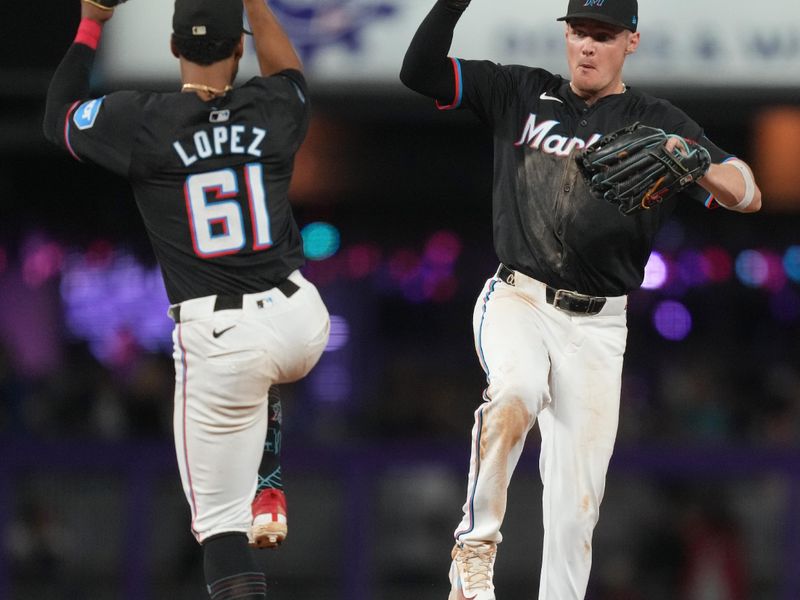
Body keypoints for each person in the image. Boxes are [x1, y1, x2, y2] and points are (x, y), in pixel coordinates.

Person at [400, 0, 761, 598]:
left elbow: (747, 191)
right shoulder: (517, 91)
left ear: (631, 42)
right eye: (579, 32)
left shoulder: (655, 120)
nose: (588, 46)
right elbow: (419, 73)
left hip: (599, 326)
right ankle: (475, 549)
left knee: (576, 508)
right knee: (515, 391)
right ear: (564, 35)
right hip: (519, 298)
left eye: (603, 34)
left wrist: (697, 163)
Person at [43, 0, 331, 597]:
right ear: (238, 49)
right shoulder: (272, 107)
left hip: (222, 340)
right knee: (264, 369)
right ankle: (267, 477)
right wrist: (255, 4)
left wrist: (91, 21)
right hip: (301, 317)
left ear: (174, 49)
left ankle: (263, 478)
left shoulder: (143, 120)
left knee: (220, 531)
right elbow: (290, 75)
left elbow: (58, 118)